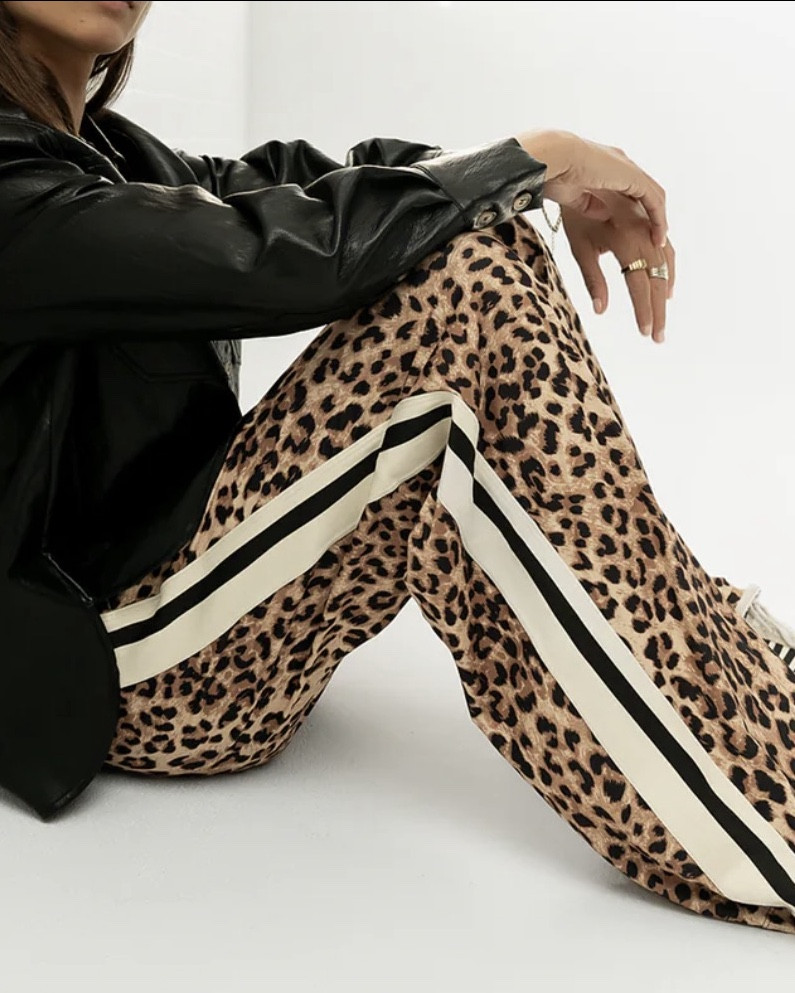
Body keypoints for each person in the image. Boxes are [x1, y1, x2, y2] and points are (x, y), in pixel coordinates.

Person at [1, 0, 794, 935]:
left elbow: (307, 189)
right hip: (124, 668)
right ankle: (762, 828)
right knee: (466, 288)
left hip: (195, 598)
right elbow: (266, 257)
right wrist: (531, 159)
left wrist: (533, 177)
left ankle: (730, 677)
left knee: (474, 235)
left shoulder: (109, 152)